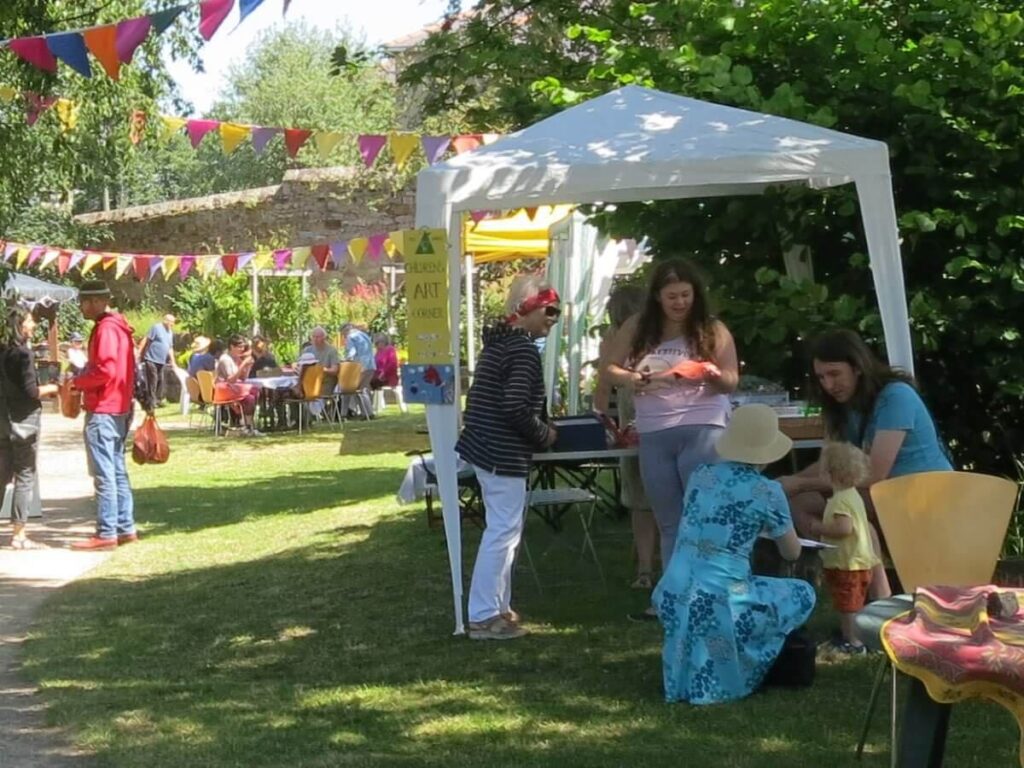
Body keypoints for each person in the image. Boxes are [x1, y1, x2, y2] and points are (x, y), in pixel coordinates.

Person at [654, 405, 816, 704]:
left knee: (727, 590)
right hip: (725, 595)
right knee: (801, 593)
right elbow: (791, 552)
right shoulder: (768, 491)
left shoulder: (701, 476)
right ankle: (743, 667)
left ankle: (687, 675)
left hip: (674, 589)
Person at [780, 329, 952, 594]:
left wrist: (800, 484)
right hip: (883, 495)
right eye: (821, 377)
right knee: (791, 502)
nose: (828, 384)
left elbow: (874, 473)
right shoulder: (842, 405)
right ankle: (851, 585)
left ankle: (861, 587)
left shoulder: (896, 396)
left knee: (821, 503)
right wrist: (787, 485)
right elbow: (832, 463)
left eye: (834, 374)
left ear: (857, 366)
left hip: (923, 493)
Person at [603, 258, 739, 571]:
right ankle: (674, 596)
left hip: (704, 427)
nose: (680, 303)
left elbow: (730, 382)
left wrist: (711, 374)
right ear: (657, 298)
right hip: (655, 431)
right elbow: (609, 370)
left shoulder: (712, 328)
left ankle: (709, 592)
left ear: (696, 294)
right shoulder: (637, 326)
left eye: (685, 295)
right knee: (669, 521)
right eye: (672, 296)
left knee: (703, 517)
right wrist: (636, 379)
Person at [457, 276, 560, 640]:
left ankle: (498, 607)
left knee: (504, 531)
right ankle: (484, 615)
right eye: (550, 310)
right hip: (502, 452)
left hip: (485, 448)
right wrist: (543, 434)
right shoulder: (521, 351)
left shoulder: (498, 345)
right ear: (528, 308)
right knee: (502, 532)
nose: (554, 318)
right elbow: (515, 406)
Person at [594, 284, 659, 590]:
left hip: (635, 424)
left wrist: (602, 419)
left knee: (641, 502)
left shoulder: (615, 339)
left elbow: (604, 383)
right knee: (653, 500)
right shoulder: (658, 335)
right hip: (646, 422)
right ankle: (652, 566)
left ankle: (645, 569)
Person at [70, 281, 138, 550]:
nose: (82, 307)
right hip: (118, 406)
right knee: (117, 471)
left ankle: (107, 531)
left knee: (105, 473)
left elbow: (105, 371)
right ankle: (125, 528)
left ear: (97, 301)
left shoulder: (106, 329)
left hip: (104, 409)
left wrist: (79, 383)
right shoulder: (119, 327)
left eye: (84, 302)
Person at [1, 307, 58, 549]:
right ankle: (19, 534)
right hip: (24, 422)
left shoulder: (2, 352)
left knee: (1, 476)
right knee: (24, 475)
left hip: (2, 421)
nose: (33, 324)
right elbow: (31, 391)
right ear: (20, 325)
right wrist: (53, 388)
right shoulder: (24, 355)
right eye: (30, 320)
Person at [812, 441, 877, 654]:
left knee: (849, 605)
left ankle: (854, 642)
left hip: (847, 563)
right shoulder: (853, 495)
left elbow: (844, 528)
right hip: (855, 561)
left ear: (833, 473)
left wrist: (818, 527)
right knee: (848, 601)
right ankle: (847, 635)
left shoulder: (840, 500)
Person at [215, 334, 260, 436]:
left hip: (234, 388)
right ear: (232, 346)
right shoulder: (225, 359)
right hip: (225, 390)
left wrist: (248, 366)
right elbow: (231, 379)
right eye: (239, 347)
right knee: (249, 398)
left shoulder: (236, 358)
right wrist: (243, 364)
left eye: (243, 346)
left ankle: (249, 424)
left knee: (255, 391)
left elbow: (243, 378)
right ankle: (247, 426)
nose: (242, 349)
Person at [138, 314, 177, 408]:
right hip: (151, 359)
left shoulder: (170, 332)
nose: (172, 324)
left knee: (161, 380)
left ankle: (158, 400)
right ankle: (151, 402)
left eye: (173, 323)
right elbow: (146, 339)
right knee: (153, 380)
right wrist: (139, 352)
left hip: (162, 361)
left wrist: (173, 361)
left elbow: (170, 347)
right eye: (171, 322)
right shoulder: (156, 328)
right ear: (165, 321)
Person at [305, 326, 340, 396]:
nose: (315, 339)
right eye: (313, 337)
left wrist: (321, 369)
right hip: (310, 380)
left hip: (326, 381)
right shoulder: (307, 350)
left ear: (324, 338)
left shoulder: (331, 351)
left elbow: (334, 370)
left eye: (318, 337)